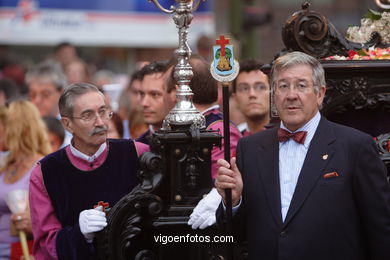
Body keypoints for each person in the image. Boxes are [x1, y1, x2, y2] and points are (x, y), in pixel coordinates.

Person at [215, 51, 390, 260]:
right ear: (274, 94)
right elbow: (232, 235)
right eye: (283, 86)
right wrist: (233, 203)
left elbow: (380, 230)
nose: (291, 94)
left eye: (301, 85)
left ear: (320, 94)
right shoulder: (250, 148)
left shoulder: (355, 146)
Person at [29, 83, 148, 260]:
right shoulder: (46, 172)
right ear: (67, 124)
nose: (100, 122)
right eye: (88, 115)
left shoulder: (137, 153)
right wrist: (79, 234)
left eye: (103, 111)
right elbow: (45, 245)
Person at [0, 100, 51, 259]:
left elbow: (50, 219)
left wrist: (31, 223)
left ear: (15, 128)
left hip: (22, 251)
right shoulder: (5, 164)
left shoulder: (42, 166)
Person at [26, 61, 72, 147]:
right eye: (33, 95)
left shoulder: (72, 128)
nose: (37, 100)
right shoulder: (23, 127)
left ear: (61, 93)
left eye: (45, 94)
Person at [137, 61, 176, 144]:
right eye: (142, 94)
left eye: (155, 94)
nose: (144, 103)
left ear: (174, 94)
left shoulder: (196, 142)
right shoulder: (137, 149)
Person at [232, 59, 270, 136]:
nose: (252, 94)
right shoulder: (233, 139)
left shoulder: (288, 135)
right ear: (235, 98)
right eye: (244, 88)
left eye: (260, 87)